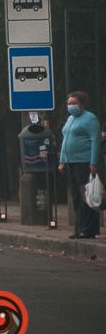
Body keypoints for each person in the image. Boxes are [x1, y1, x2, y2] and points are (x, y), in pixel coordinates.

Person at [58, 91, 100, 240]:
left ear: (82, 104)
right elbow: (65, 141)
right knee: (76, 197)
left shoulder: (90, 119)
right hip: (70, 162)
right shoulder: (70, 119)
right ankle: (79, 228)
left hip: (84, 162)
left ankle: (89, 229)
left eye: (74, 103)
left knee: (86, 196)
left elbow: (95, 141)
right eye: (69, 103)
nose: (71, 106)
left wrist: (93, 162)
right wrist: (62, 160)